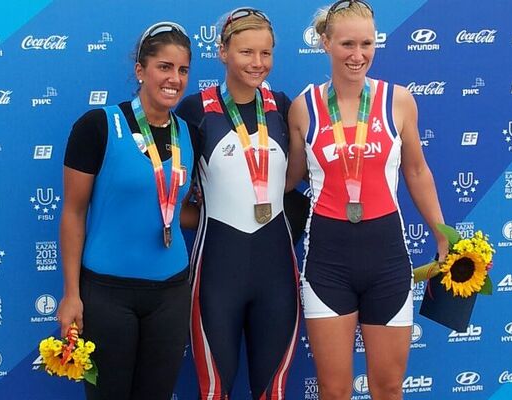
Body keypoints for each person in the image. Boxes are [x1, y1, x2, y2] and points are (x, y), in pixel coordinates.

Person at [285, 1, 449, 399]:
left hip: (387, 260)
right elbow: (288, 178)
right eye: (346, 44)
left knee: (389, 387)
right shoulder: (303, 108)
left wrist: (444, 235)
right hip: (328, 262)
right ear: (325, 43)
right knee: (334, 389)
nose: (357, 55)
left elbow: (416, 172)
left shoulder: (400, 101)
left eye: (367, 44)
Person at [57, 22, 195, 399]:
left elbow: (179, 207)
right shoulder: (98, 126)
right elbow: (72, 213)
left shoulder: (189, 133)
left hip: (170, 293)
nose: (174, 79)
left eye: (182, 70)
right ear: (140, 71)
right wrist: (71, 294)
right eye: (164, 67)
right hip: (107, 293)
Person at [176, 8, 299, 399]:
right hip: (217, 270)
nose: (257, 63)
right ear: (223, 52)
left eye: (265, 53)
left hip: (277, 270)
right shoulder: (194, 110)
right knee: (214, 391)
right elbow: (164, 192)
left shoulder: (283, 105)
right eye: (246, 52)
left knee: (272, 391)